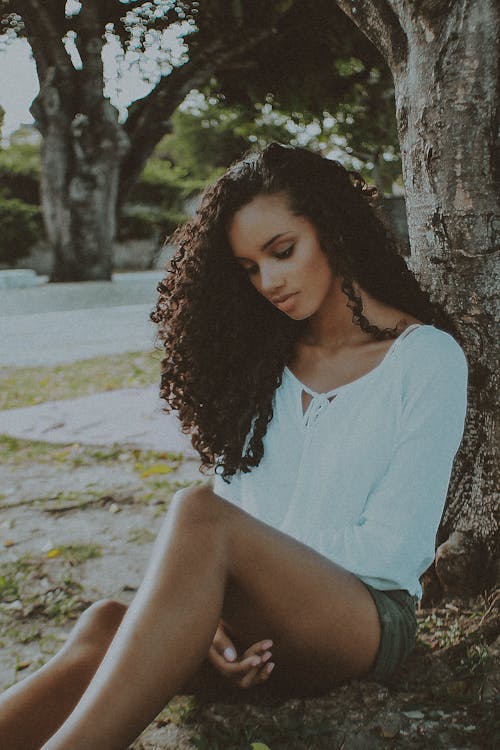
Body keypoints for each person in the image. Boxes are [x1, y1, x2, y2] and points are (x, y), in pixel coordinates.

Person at [0, 143, 468, 750]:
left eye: (282, 252)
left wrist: (236, 575)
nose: (268, 281)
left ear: (332, 230)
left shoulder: (426, 359)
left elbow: (393, 549)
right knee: (103, 626)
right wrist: (214, 621)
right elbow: (233, 521)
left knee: (198, 514)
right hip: (258, 614)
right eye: (249, 268)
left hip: (366, 618)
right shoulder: (261, 364)